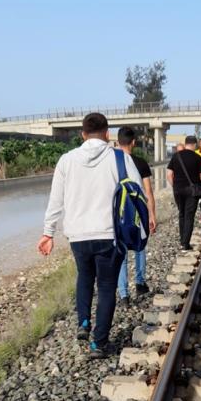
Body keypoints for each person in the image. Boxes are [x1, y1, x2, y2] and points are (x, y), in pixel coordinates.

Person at [38, 112, 144, 358]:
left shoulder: (66, 160)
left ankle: (83, 322)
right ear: (107, 134)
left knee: (85, 276)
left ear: (82, 135)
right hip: (109, 234)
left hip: (78, 235)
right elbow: (137, 192)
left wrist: (48, 232)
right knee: (107, 287)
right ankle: (99, 343)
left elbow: (56, 200)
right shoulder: (121, 158)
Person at [116, 126, 157, 306]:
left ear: (117, 142)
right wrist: (151, 215)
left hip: (118, 215)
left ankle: (124, 295)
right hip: (138, 214)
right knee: (140, 247)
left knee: (122, 253)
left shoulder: (112, 162)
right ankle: (140, 283)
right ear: (133, 142)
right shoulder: (140, 163)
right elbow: (148, 191)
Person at [166, 135, 201, 250]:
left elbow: (169, 174)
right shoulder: (197, 158)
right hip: (191, 191)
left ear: (185, 144)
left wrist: (175, 186)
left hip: (178, 189)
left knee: (181, 214)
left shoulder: (176, 156)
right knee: (189, 216)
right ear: (194, 145)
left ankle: (182, 240)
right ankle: (185, 243)